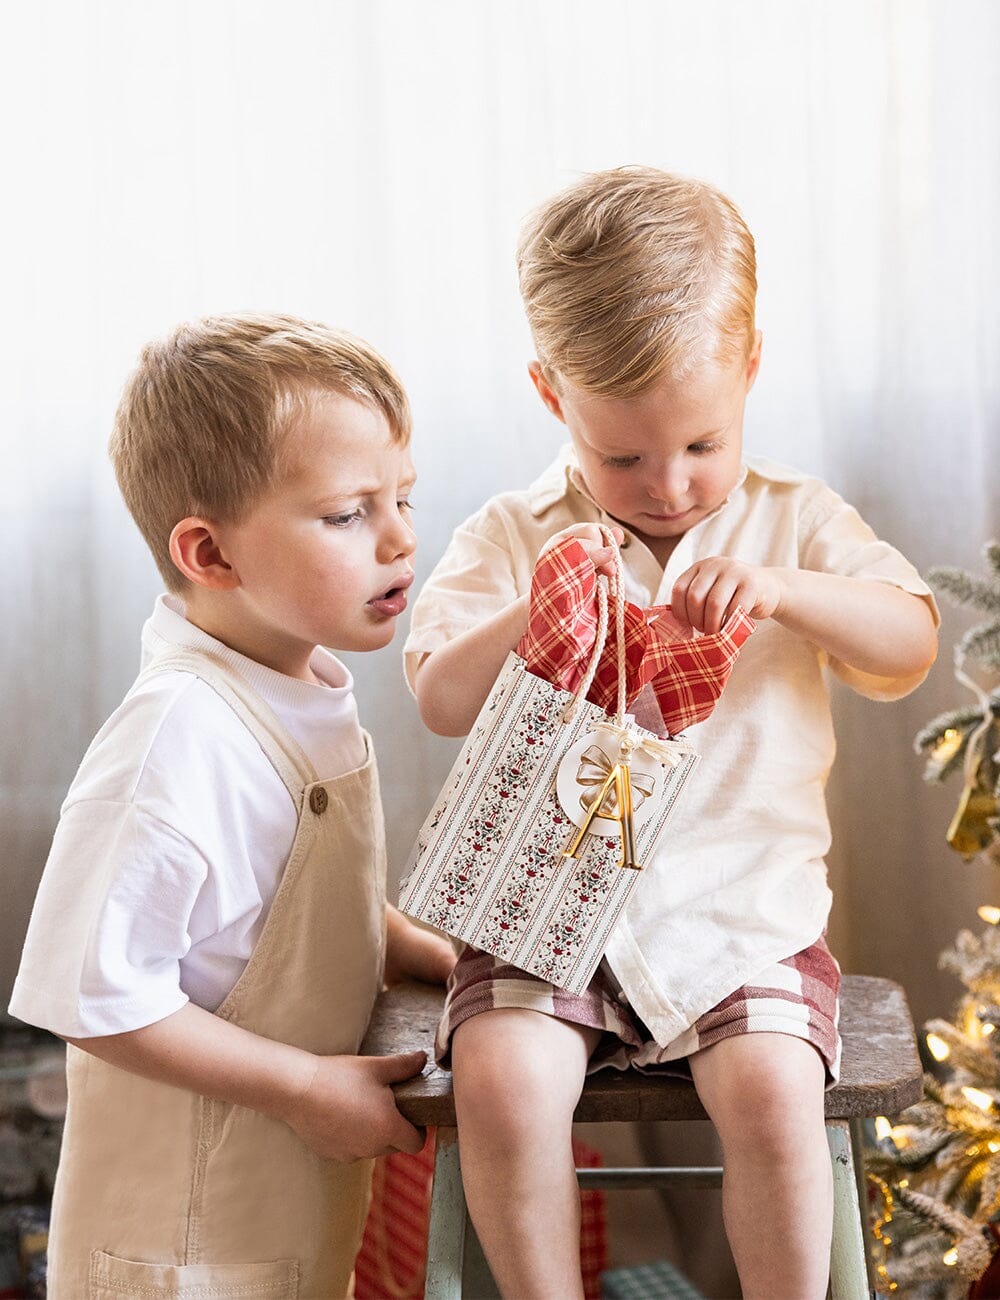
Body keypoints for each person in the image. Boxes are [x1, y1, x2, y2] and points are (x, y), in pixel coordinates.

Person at [404, 168, 939, 1300]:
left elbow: (906, 645)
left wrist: (787, 592)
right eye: (623, 458)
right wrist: (534, 606)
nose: (669, 486)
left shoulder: (794, 516)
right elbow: (438, 700)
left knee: (773, 1095)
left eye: (702, 444)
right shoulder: (514, 531)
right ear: (553, 398)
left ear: (749, 371)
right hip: (545, 913)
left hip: (739, 915)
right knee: (501, 1083)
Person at [9, 312, 456, 1299]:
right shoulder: (178, 737)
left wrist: (402, 944)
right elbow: (93, 995)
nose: (398, 538)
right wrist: (303, 1087)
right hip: (185, 1247)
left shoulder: (295, 685)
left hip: (282, 1219)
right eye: (347, 513)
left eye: (403, 498)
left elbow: (257, 903)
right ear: (210, 554)